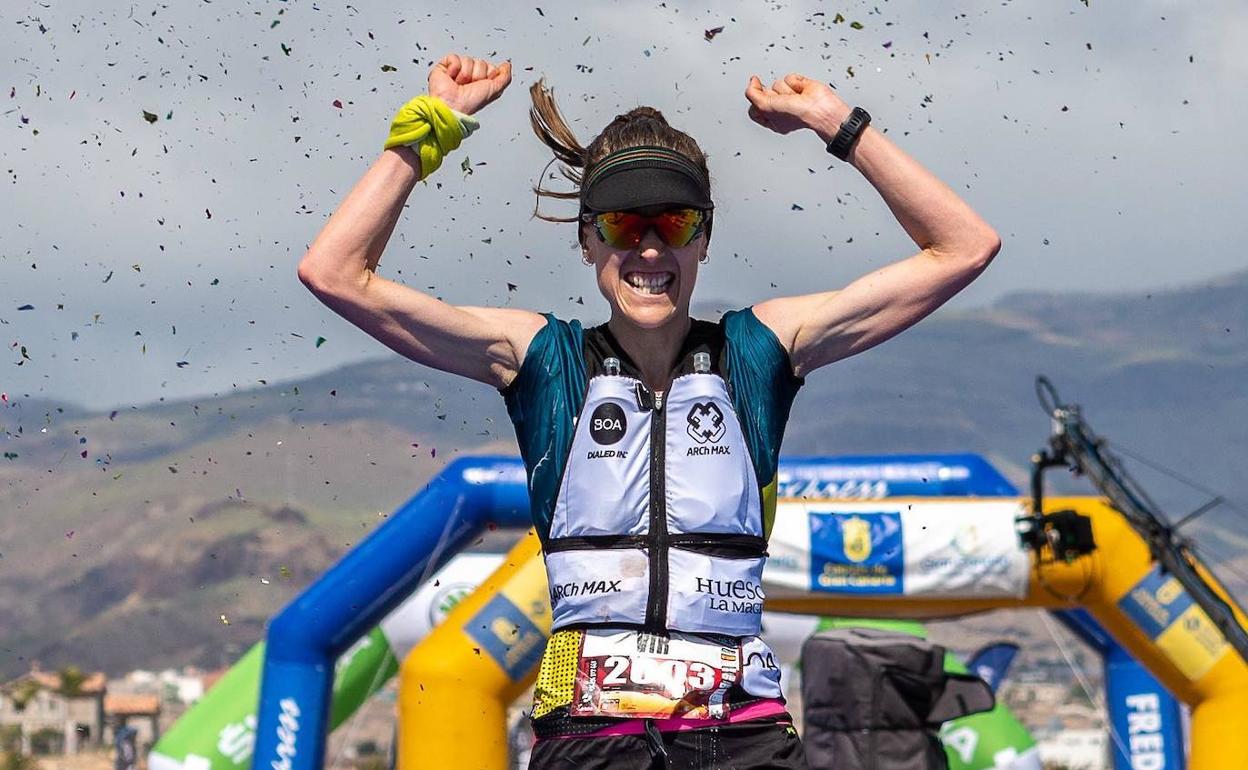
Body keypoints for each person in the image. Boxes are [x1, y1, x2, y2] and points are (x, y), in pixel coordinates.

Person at [298, 52, 1000, 770]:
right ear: (587, 240)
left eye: (674, 221)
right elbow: (334, 272)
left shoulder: (759, 350)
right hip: (589, 738)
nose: (651, 248)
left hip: (745, 736)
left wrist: (835, 122)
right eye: (624, 226)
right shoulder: (539, 358)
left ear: (705, 236)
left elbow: (965, 247)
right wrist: (431, 128)